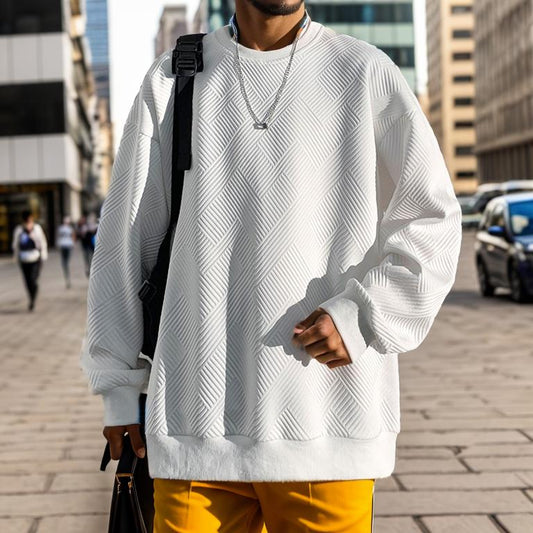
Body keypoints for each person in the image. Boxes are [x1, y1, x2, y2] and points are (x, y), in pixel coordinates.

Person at [80, 1, 463, 531]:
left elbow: (433, 217)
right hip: (196, 431)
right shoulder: (175, 77)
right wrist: (119, 389)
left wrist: (362, 316)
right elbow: (125, 240)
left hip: (329, 427)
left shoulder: (364, 72)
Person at [12, 209, 48, 311]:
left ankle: (33, 295)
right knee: (27, 281)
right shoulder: (19, 230)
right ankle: (32, 298)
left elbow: (42, 242)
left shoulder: (37, 228)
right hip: (24, 258)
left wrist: (43, 255)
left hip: (35, 257)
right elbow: (16, 245)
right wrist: (16, 257)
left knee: (33, 279)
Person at [57, 215, 76, 288]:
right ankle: (66, 269)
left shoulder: (61, 228)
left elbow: (59, 236)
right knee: (66, 261)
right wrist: (73, 244)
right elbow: (73, 236)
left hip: (64, 245)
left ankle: (65, 268)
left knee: (64, 262)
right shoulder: (69, 228)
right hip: (67, 245)